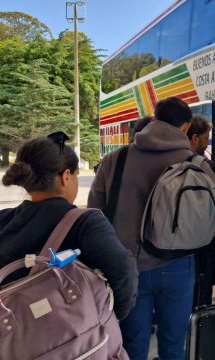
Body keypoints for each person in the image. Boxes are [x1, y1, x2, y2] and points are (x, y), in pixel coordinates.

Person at [88, 97, 215, 360]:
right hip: (179, 265)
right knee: (173, 345)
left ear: (155, 119)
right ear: (185, 127)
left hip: (126, 267)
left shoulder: (115, 159)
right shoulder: (197, 164)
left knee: (132, 345)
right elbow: (214, 221)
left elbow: (95, 213)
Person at [0, 134, 138, 321]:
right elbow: (123, 272)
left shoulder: (5, 219)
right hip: (71, 340)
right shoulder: (86, 223)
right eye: (75, 176)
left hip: (13, 339)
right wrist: (108, 319)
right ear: (66, 177)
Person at [186, 114, 215, 307]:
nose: (207, 144)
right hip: (204, 244)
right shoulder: (206, 166)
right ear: (194, 138)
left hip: (177, 245)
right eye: (205, 138)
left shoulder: (168, 162)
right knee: (201, 296)